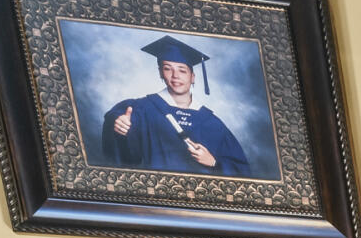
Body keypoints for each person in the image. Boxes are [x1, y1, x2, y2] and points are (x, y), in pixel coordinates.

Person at [95, 35, 250, 176]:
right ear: (161, 73)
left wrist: (214, 163)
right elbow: (126, 157)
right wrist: (118, 126)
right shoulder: (143, 109)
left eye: (182, 70)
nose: (175, 76)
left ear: (193, 77)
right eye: (168, 68)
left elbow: (242, 170)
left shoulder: (212, 123)